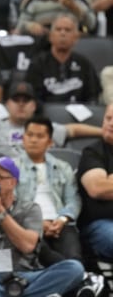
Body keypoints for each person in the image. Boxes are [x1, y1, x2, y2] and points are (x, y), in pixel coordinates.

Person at [0, 156, 85, 296]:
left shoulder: (30, 209)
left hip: (24, 276)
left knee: (74, 268)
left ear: (12, 182)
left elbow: (28, 246)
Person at [14, 116, 83, 267]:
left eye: (40, 136)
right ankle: (78, 275)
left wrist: (62, 219)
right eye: (30, 135)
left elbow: (73, 199)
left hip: (60, 224)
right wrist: (37, 222)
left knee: (74, 256)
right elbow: (11, 202)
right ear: (23, 138)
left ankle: (76, 273)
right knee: (49, 258)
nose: (33, 140)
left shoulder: (63, 167)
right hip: (27, 225)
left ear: (50, 142)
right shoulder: (12, 168)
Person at [25, 14, 101, 104]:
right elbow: (33, 98)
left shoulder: (85, 64)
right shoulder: (37, 64)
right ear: (50, 36)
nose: (62, 33)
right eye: (58, 29)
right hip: (46, 111)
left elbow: (92, 97)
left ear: (76, 38)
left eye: (67, 30)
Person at [77, 104, 113, 261]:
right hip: (101, 223)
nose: (111, 123)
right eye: (108, 118)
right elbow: (98, 189)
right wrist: (106, 184)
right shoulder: (93, 152)